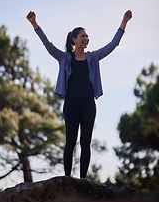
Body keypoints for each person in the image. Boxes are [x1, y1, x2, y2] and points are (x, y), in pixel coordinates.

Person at [26, 10, 132, 178]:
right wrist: (34, 24)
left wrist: (124, 22)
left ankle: (83, 179)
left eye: (87, 36)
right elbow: (48, 45)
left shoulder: (94, 57)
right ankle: (67, 179)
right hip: (71, 104)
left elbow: (113, 44)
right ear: (74, 39)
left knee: (86, 143)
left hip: (89, 103)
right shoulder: (64, 58)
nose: (86, 38)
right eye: (83, 36)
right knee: (70, 143)